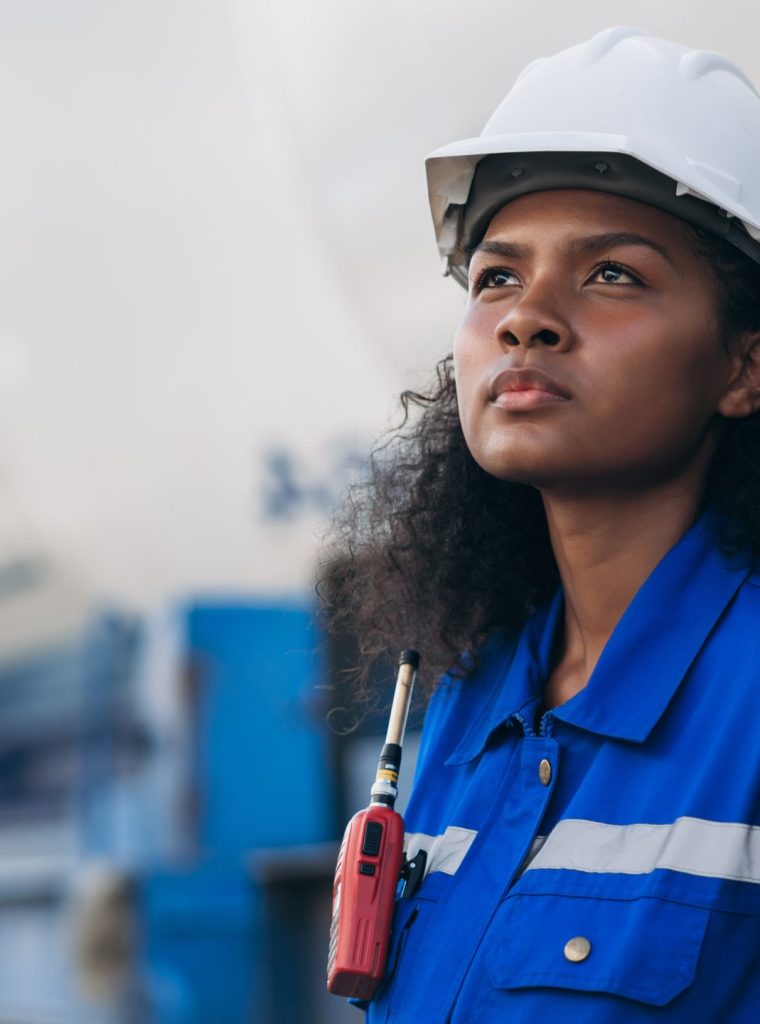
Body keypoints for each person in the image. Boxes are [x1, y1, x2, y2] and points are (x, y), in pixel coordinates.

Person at [320, 26, 760, 1021]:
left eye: (612, 274)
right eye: (496, 276)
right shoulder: (471, 703)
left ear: (743, 365)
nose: (528, 317)